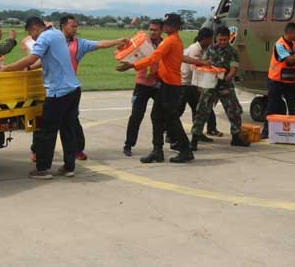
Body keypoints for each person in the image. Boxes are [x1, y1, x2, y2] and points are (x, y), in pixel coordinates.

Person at [117, 13, 205, 164]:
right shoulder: (174, 40)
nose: (164, 27)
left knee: (171, 119)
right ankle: (157, 150)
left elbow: (154, 57)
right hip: (167, 84)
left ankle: (185, 150)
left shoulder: (169, 41)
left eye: (167, 24)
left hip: (170, 85)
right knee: (157, 116)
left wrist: (133, 65)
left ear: (175, 26)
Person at [2, 17, 80, 179]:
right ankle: (69, 167)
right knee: (68, 130)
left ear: (35, 28)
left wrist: (7, 68)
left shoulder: (44, 37)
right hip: (73, 89)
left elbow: (32, 57)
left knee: (47, 132)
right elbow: (47, 60)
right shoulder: (57, 34)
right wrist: (30, 68)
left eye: (31, 34)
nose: (32, 38)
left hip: (58, 92)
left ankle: (42, 169)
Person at [60, 14, 128, 161]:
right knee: (48, 122)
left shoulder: (79, 44)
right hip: (52, 87)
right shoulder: (52, 41)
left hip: (70, 88)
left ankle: (77, 149)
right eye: (72, 26)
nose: (75, 29)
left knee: (72, 120)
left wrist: (117, 41)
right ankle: (39, 151)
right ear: (63, 26)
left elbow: (100, 44)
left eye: (76, 26)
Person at [190, 26, 251, 150]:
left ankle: (236, 137)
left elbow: (233, 69)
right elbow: (204, 64)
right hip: (210, 84)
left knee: (234, 111)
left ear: (229, 38)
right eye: (220, 40)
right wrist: (200, 83)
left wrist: (227, 77)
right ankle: (195, 139)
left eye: (225, 40)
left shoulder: (232, 51)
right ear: (216, 38)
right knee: (202, 111)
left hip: (225, 85)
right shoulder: (211, 49)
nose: (222, 42)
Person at [262, 22, 295, 138]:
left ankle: (294, 131)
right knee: (272, 107)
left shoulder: (293, 44)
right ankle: (266, 131)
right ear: (290, 32)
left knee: (292, 107)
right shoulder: (280, 45)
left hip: (289, 81)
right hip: (276, 80)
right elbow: (290, 60)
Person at [123, 20, 163, 157]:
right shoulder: (142, 43)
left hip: (158, 83)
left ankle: (159, 146)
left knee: (161, 115)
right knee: (136, 115)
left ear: (161, 31)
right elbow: (127, 50)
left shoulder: (165, 44)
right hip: (142, 84)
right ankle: (128, 144)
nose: (152, 32)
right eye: (150, 29)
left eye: (155, 30)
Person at [179, 28, 220, 140]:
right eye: (211, 39)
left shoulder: (202, 49)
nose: (211, 42)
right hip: (185, 83)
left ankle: (197, 133)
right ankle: (170, 133)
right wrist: (200, 85)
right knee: (179, 109)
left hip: (191, 83)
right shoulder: (195, 49)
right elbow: (193, 68)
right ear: (205, 39)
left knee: (197, 109)